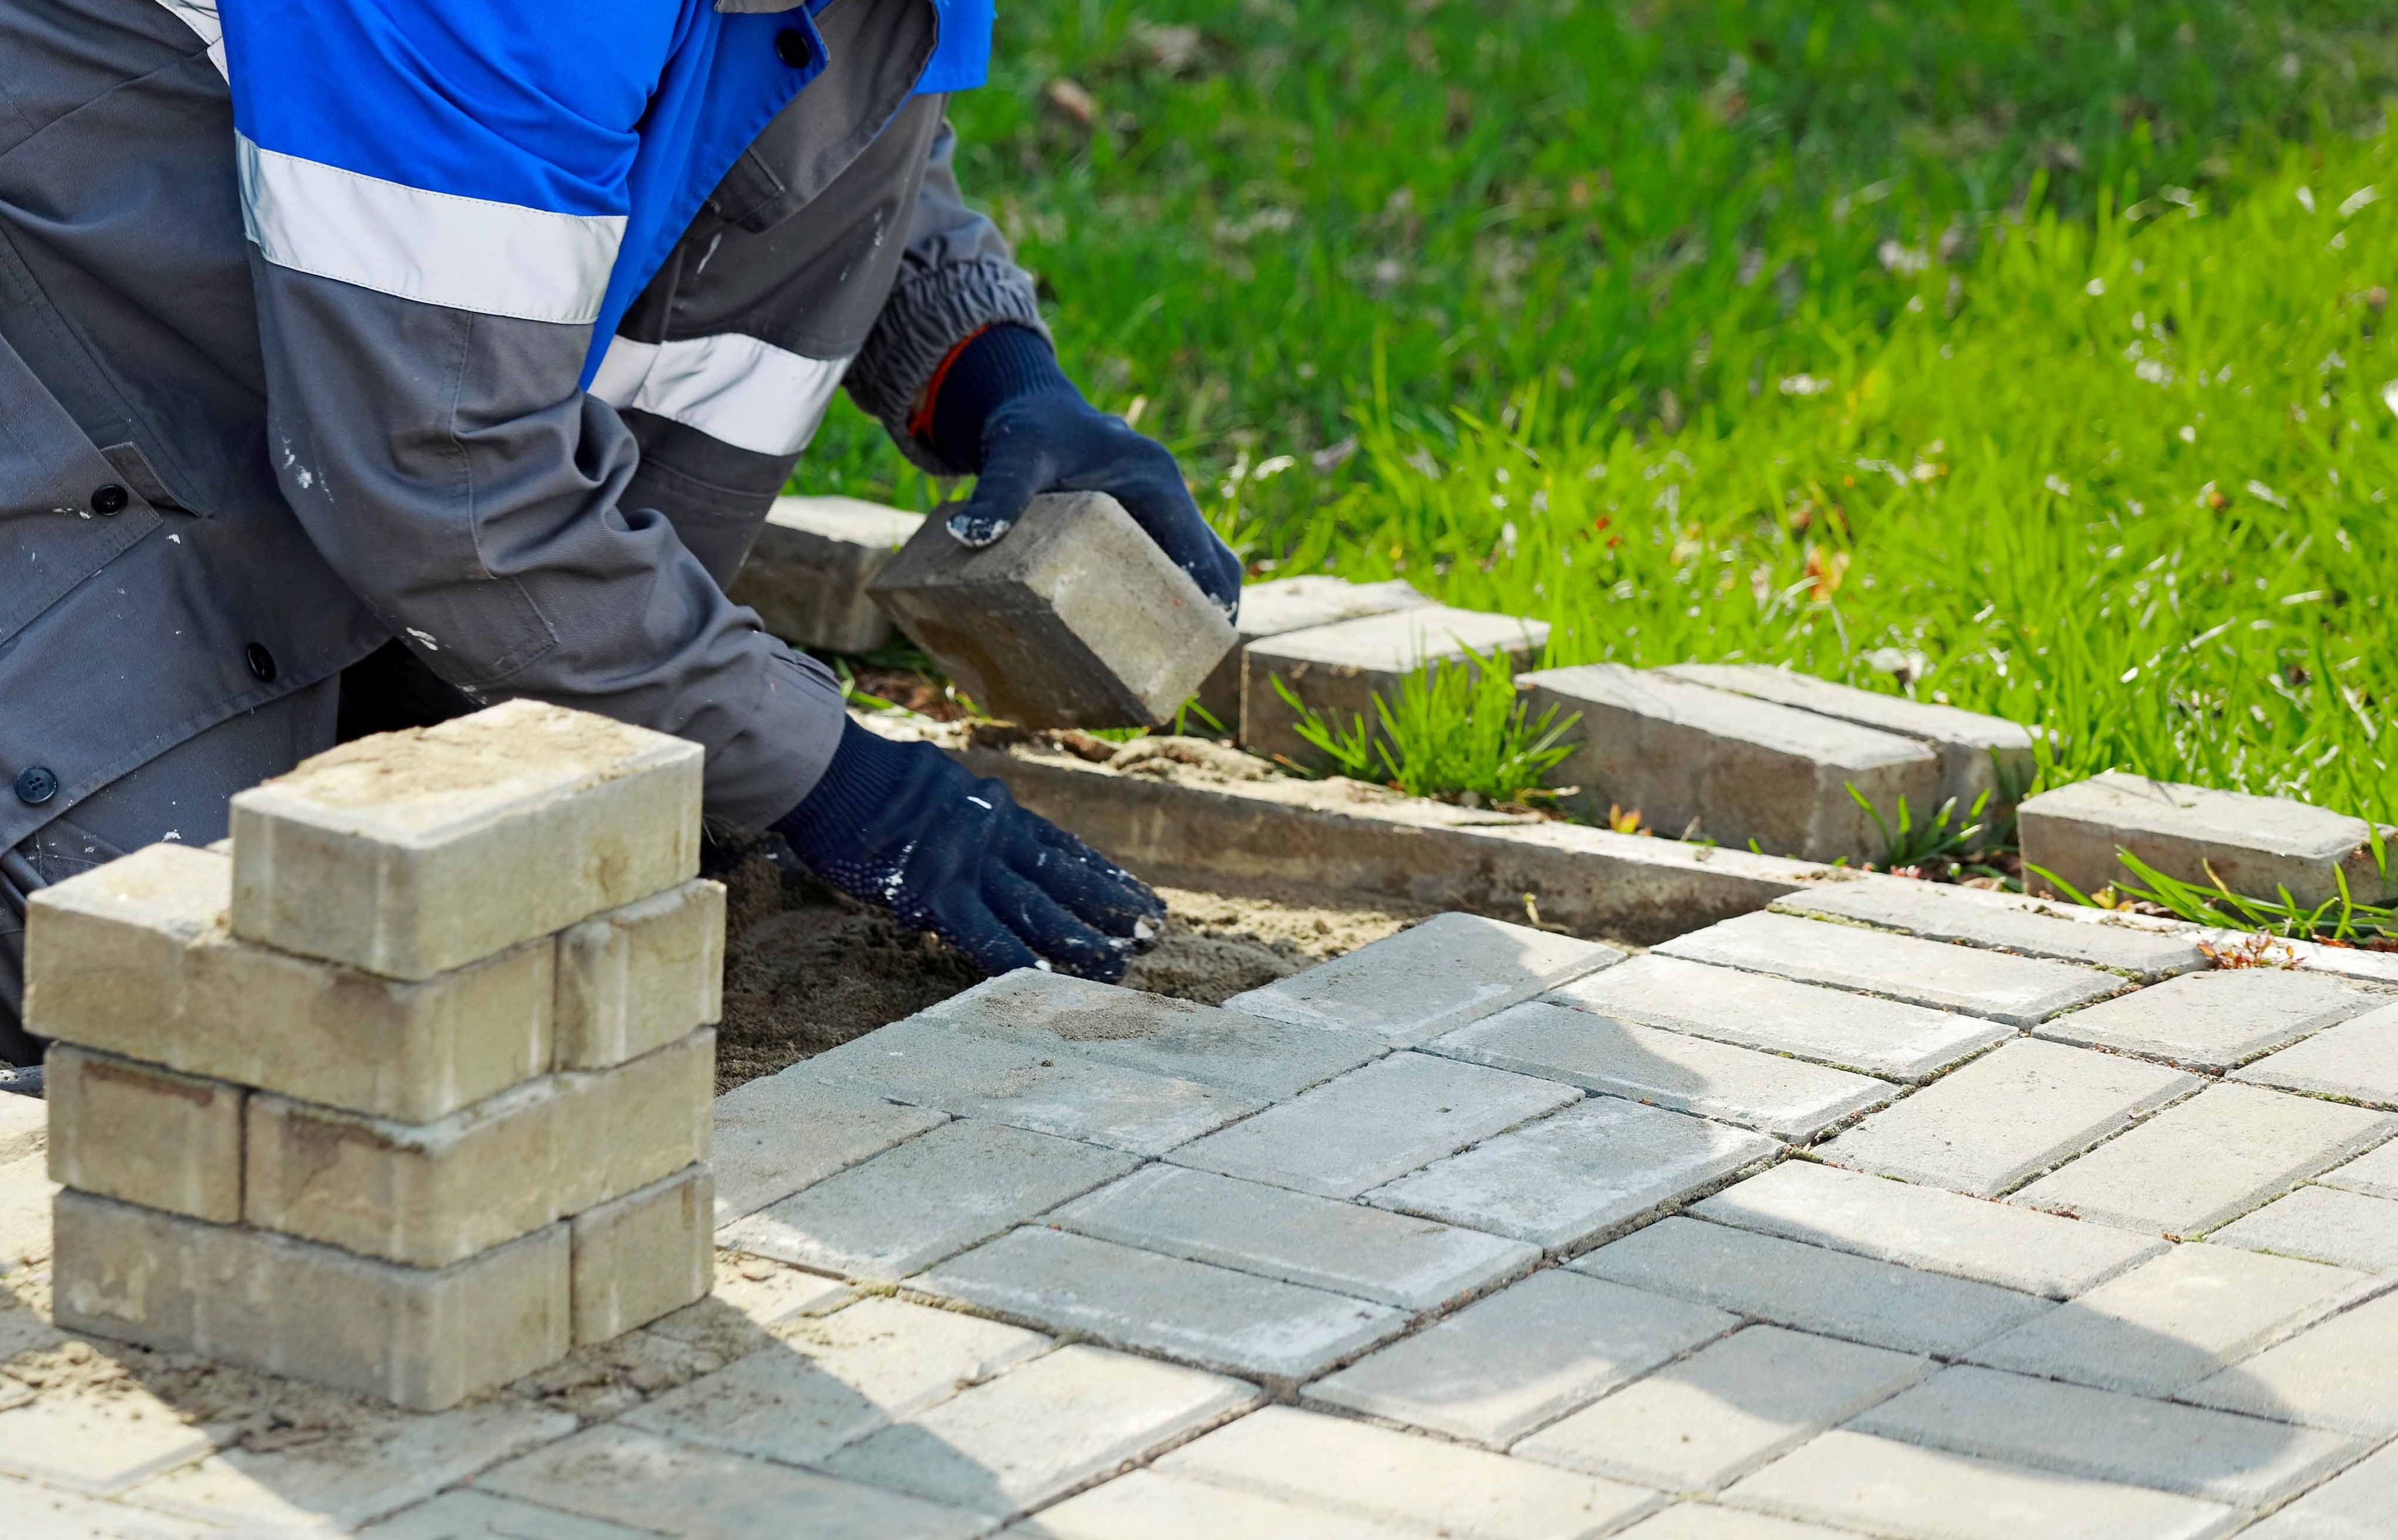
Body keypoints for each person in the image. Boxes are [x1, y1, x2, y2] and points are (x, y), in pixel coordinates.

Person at [0, 0, 1243, 1073]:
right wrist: (838, 779)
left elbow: (807, 101)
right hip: (76, 397)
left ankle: (537, 669)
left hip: (342, 395)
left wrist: (987, 372)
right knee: (206, 1001)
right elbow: (451, 483)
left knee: (456, 902)